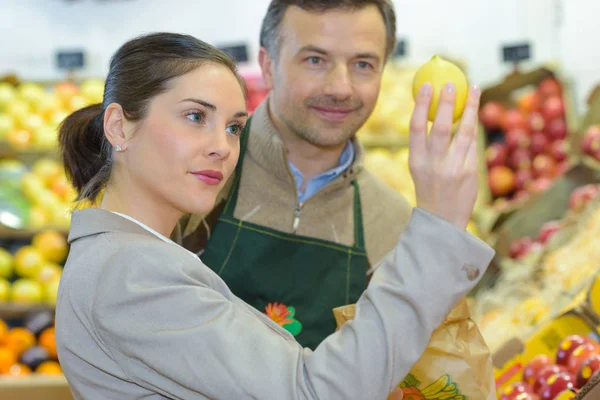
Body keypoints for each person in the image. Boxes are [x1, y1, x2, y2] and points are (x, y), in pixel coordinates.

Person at [55, 32, 492, 400]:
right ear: (118, 127)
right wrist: (437, 231)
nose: (222, 147)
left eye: (233, 127)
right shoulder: (132, 274)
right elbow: (314, 393)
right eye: (195, 116)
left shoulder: (130, 257)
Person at [173, 0, 419, 351]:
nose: (341, 88)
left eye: (363, 64)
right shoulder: (194, 176)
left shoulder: (393, 224)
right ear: (267, 66)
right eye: (315, 60)